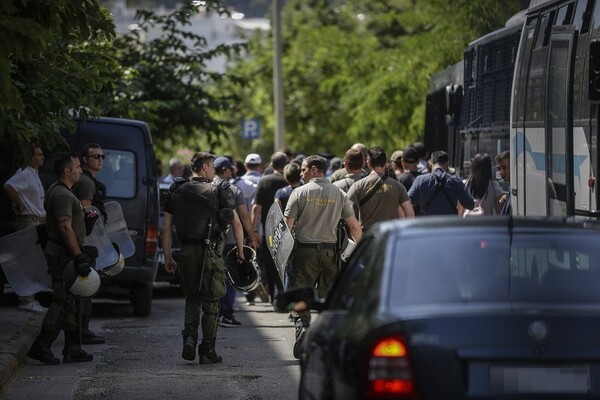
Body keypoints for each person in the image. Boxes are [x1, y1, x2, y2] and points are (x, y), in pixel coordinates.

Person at [161, 151, 245, 364]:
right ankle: (207, 350)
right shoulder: (219, 191)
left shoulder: (176, 190)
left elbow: (167, 229)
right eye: (213, 167)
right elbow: (235, 223)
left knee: (192, 297)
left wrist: (168, 256)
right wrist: (240, 251)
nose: (215, 171)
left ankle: (189, 336)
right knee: (212, 300)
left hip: (187, 252)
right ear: (206, 167)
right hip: (210, 253)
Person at [284, 155, 362, 359]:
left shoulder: (298, 193)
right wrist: (363, 253)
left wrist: (281, 257)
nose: (301, 173)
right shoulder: (340, 194)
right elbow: (354, 227)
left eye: (303, 170)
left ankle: (302, 327)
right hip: (331, 254)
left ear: (314, 169)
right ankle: (329, 339)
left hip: (304, 253)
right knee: (330, 299)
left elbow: (286, 228)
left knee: (300, 295)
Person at [27, 152, 94, 365]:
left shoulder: (61, 191)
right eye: (77, 167)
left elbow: (69, 223)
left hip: (65, 252)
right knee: (62, 300)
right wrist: (78, 256)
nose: (81, 170)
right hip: (63, 254)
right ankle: (40, 345)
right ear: (67, 171)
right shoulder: (63, 194)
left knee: (72, 300)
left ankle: (73, 348)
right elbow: (65, 227)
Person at [213, 156, 259, 327]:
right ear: (225, 170)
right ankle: (227, 314)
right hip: (231, 240)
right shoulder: (234, 190)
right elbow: (244, 217)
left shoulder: (206, 187)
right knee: (229, 276)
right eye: (230, 169)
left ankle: (213, 313)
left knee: (212, 276)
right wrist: (252, 235)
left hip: (209, 240)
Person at [3, 143, 48, 314]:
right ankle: (26, 300)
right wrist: (19, 204)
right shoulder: (24, 174)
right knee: (27, 260)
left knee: (33, 260)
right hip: (28, 220)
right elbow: (9, 185)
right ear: (30, 157)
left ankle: (31, 298)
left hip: (36, 220)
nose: (42, 157)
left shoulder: (34, 174)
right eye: (39, 154)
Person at [72, 143, 106, 345]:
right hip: (86, 242)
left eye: (102, 156)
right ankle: (80, 331)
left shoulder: (89, 181)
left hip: (85, 241)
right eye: (95, 156)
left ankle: (80, 330)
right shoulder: (86, 183)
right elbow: (88, 214)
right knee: (86, 288)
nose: (100, 159)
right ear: (85, 159)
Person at [347, 146, 415, 229]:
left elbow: (345, 210)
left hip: (367, 237)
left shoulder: (357, 186)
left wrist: (357, 235)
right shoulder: (398, 186)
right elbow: (410, 215)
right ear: (386, 163)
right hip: (389, 236)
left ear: (368, 164)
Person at [252, 152, 289, 303]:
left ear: (271, 165)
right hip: (288, 228)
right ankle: (285, 296)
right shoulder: (291, 180)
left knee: (271, 264)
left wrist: (253, 231)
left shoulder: (264, 181)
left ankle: (275, 297)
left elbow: (256, 208)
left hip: (269, 230)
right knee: (286, 264)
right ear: (286, 164)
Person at [408, 150, 475, 215]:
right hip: (449, 224)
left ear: (430, 163)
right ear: (447, 164)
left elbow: (408, 201)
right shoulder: (456, 181)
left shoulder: (420, 180)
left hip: (428, 224)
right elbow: (470, 204)